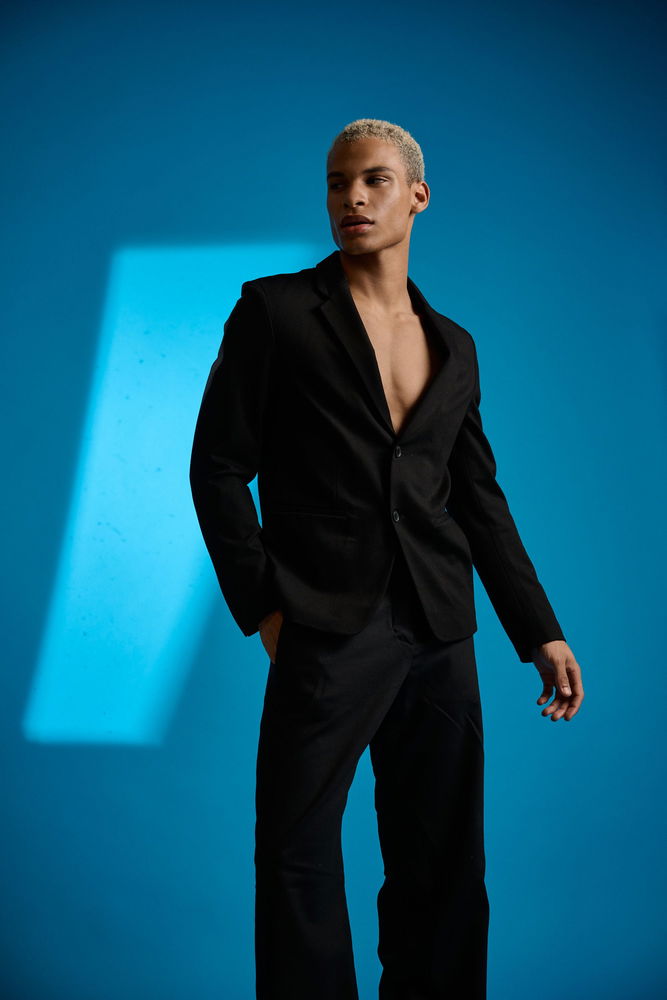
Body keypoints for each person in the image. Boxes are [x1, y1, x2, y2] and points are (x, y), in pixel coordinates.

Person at [189, 117, 584, 1000]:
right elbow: (216, 467)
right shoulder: (275, 311)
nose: (351, 198)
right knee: (296, 850)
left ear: (417, 195)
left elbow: (477, 497)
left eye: (372, 180)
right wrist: (264, 605)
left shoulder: (455, 345)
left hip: (439, 627)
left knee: (444, 860)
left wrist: (539, 631)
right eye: (337, 183)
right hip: (324, 620)